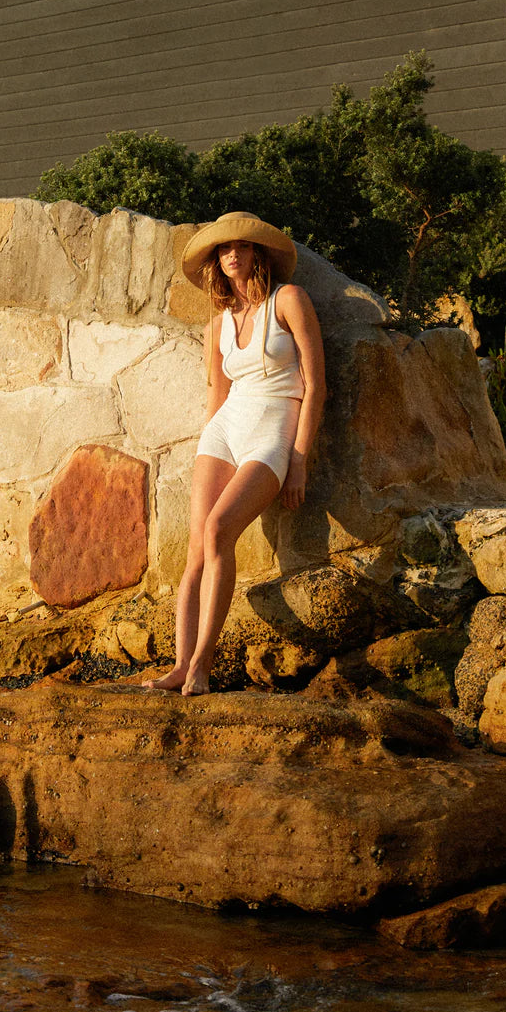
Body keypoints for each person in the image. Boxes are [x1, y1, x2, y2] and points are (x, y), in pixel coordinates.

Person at [145, 211, 325, 696]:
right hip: (225, 429)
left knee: (219, 529)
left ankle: (204, 663)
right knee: (196, 552)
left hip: (272, 429)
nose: (231, 255)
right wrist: (208, 443)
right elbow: (216, 398)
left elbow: (316, 386)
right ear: (215, 262)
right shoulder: (218, 325)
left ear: (256, 254)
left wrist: (299, 460)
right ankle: (181, 664)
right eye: (223, 250)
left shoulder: (288, 301)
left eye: (240, 247)